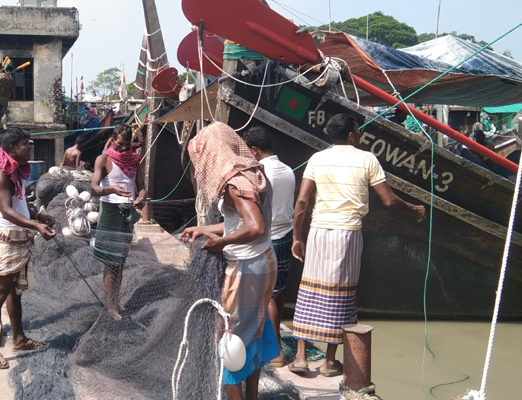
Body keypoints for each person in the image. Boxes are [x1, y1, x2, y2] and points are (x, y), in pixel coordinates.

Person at [288, 114, 425, 377]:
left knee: (309, 290)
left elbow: (302, 201)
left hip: (318, 231)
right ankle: (329, 361)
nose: (359, 134)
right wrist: (413, 209)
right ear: (352, 134)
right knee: (340, 293)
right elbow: (388, 200)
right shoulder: (367, 159)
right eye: (358, 130)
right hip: (347, 234)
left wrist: (297, 236)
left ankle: (301, 357)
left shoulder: (317, 158)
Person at [181, 122, 279, 400]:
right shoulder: (252, 172)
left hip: (246, 269)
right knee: (254, 332)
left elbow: (256, 226)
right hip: (263, 260)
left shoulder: (235, 184)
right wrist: (205, 230)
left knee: (230, 340)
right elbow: (241, 222)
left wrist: (220, 243)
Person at [0, 127, 57, 370]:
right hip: (6, 241)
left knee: (16, 292)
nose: (31, 147)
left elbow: (20, 205)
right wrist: (35, 225)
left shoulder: (13, 170)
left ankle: (19, 339)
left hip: (19, 240)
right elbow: (6, 211)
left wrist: (38, 217)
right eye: (27, 143)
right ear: (13, 148)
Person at [243, 126, 295, 368]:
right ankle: (277, 342)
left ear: (254, 150)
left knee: (268, 296)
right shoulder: (287, 170)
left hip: (268, 239)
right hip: (285, 234)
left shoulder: (261, 174)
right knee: (278, 292)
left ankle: (275, 353)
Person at [90, 123, 147, 320]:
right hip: (110, 212)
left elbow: (141, 187)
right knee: (110, 262)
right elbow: (94, 188)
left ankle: (117, 301)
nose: (124, 148)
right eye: (120, 144)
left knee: (120, 261)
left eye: (127, 144)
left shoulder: (134, 160)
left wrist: (141, 198)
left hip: (127, 214)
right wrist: (112, 189)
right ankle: (110, 306)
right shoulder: (103, 159)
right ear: (113, 140)